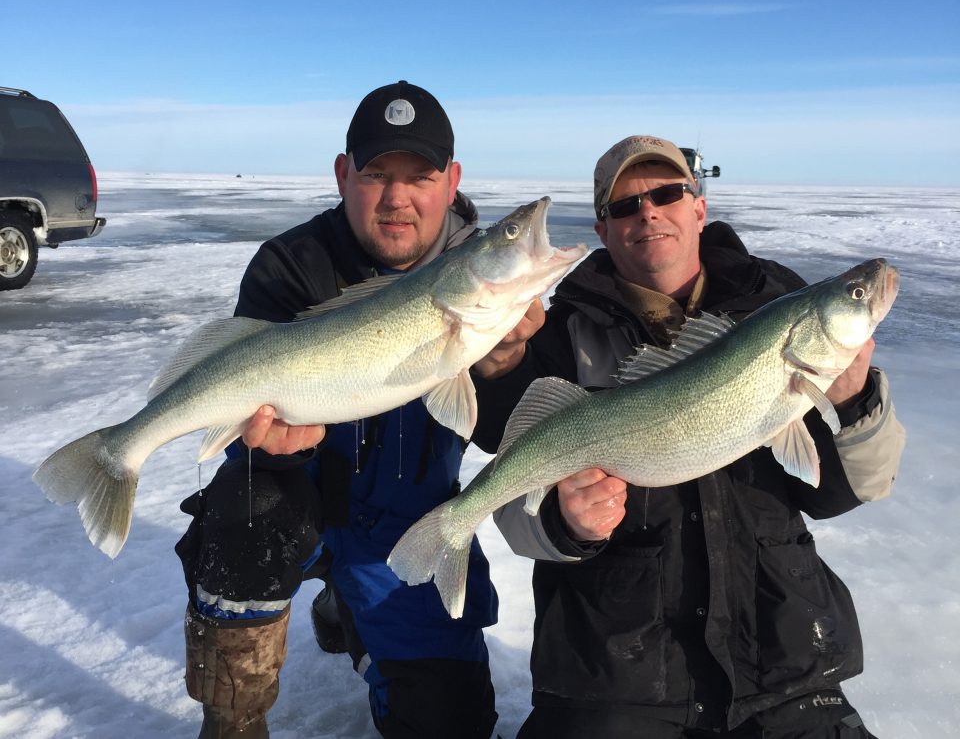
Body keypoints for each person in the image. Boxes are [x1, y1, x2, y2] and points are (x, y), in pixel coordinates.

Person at [471, 135, 906, 739]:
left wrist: (856, 403)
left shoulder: (777, 306)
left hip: (781, 664)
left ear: (698, 207)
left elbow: (837, 492)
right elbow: (514, 484)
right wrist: (564, 526)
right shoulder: (558, 337)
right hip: (613, 677)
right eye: (625, 206)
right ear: (602, 228)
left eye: (667, 193)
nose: (648, 212)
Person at [175, 81, 499, 739]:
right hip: (297, 501)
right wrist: (265, 443)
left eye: (420, 176)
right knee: (246, 513)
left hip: (406, 522)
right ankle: (233, 718)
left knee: (448, 721)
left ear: (452, 180)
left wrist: (504, 367)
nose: (397, 197)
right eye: (377, 174)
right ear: (343, 174)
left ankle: (354, 618)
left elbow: (502, 429)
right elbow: (243, 411)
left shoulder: (489, 279)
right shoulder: (291, 265)